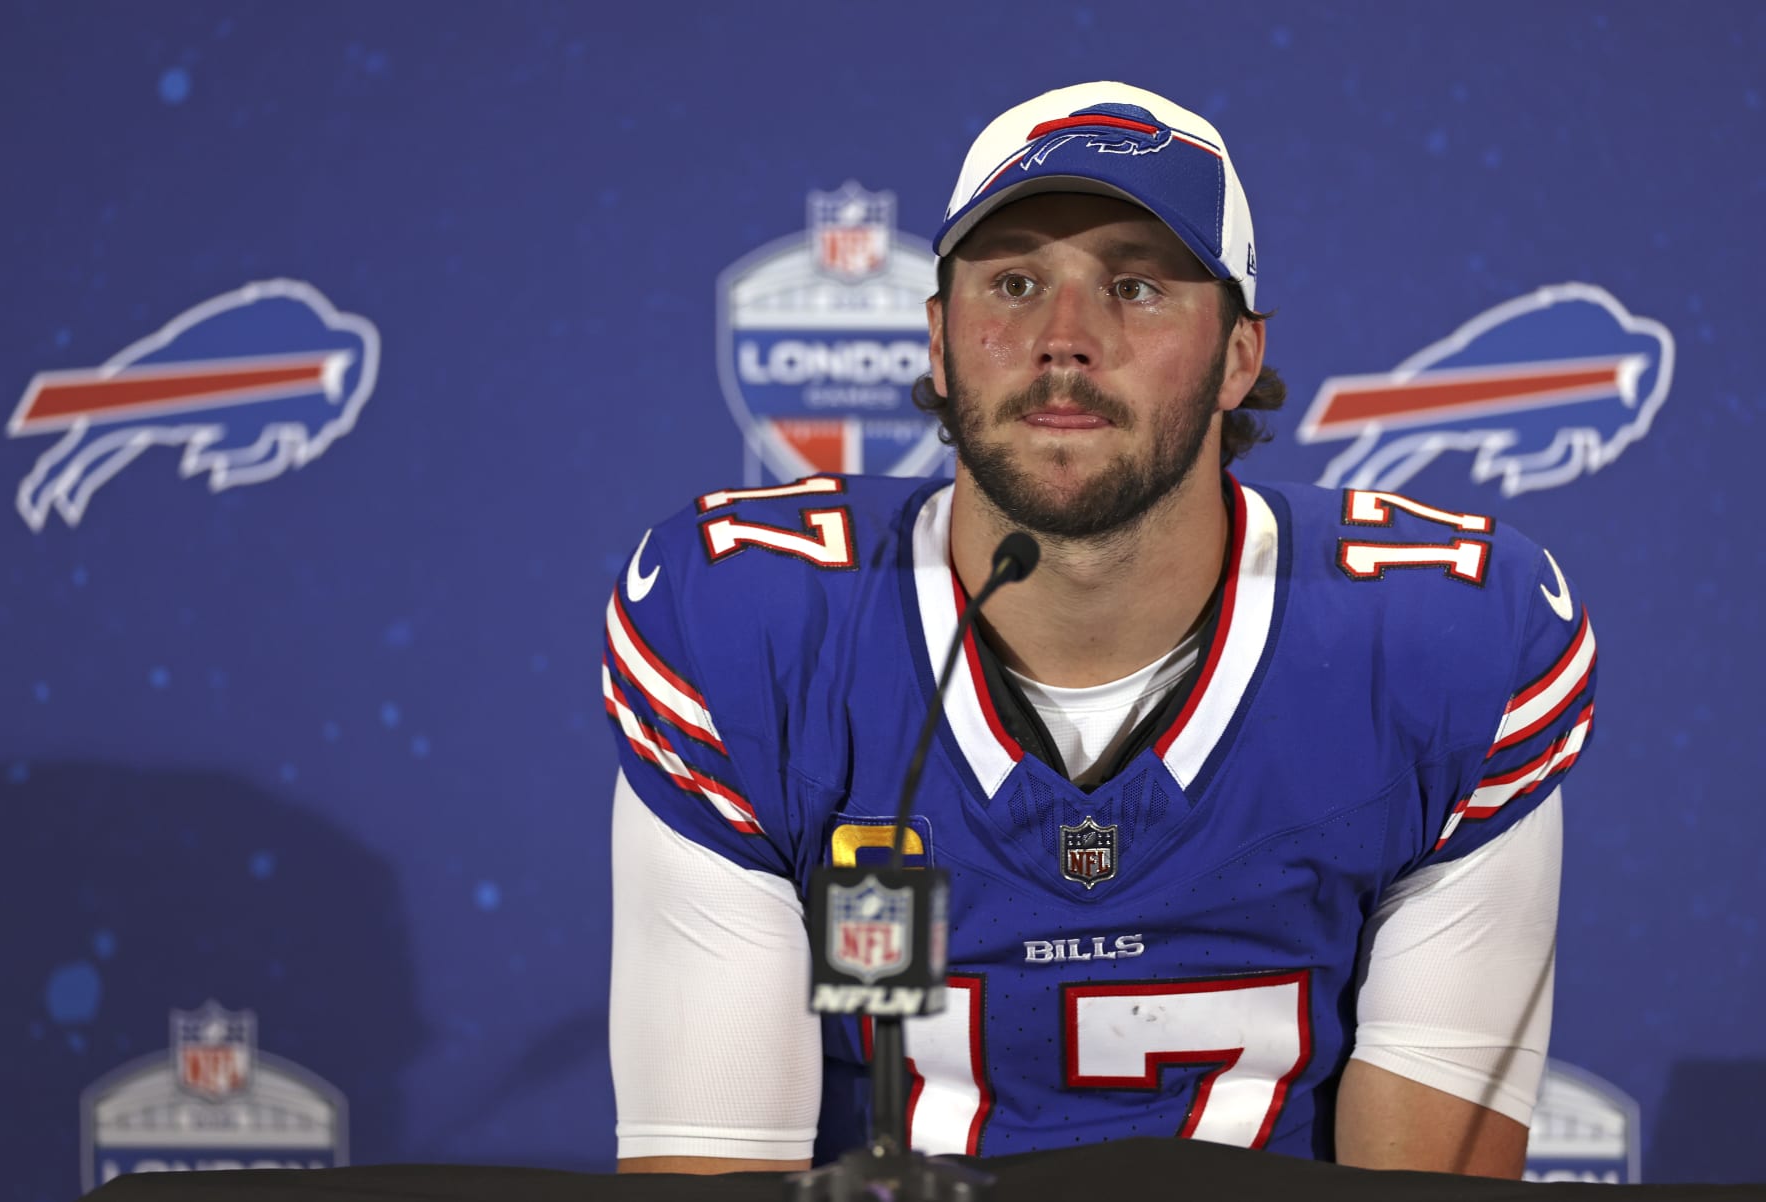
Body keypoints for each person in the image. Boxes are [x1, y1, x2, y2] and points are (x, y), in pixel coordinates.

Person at [603, 82, 1593, 1178]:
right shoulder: (754, 628)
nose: (1064, 339)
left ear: (1238, 355)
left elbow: (1417, 1189)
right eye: (1015, 282)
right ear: (938, 339)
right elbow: (714, 1168)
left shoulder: (1435, 645)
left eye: (1135, 285)